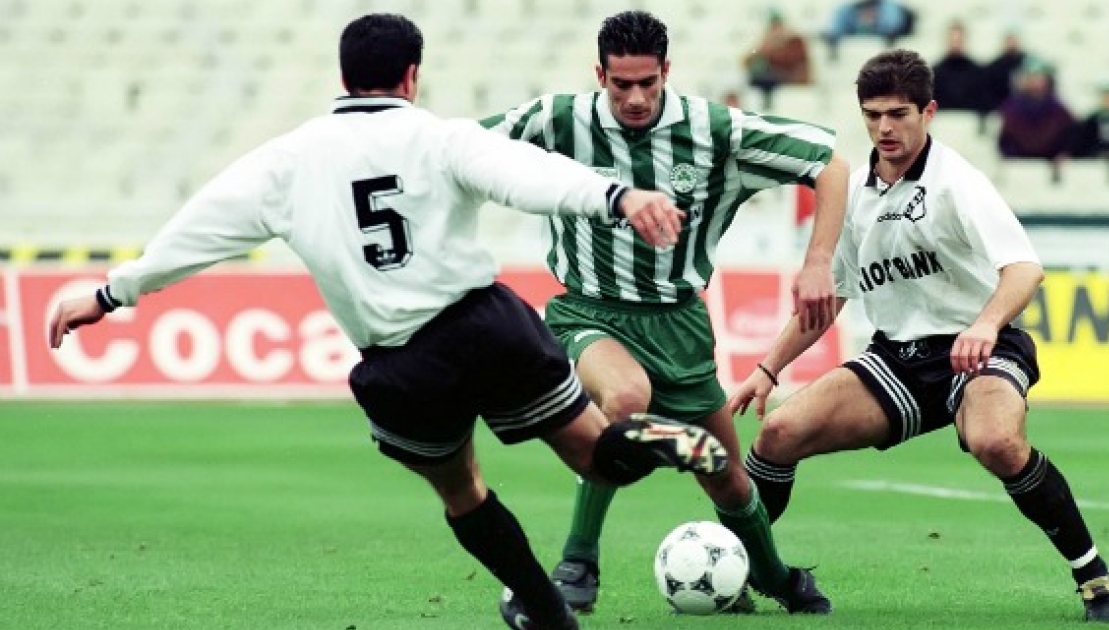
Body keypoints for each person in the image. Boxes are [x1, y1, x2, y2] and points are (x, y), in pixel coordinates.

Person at [47, 13, 734, 630]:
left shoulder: (288, 160)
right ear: (412, 75)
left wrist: (110, 294)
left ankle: (548, 613)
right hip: (487, 327)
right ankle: (660, 438)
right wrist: (616, 197)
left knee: (463, 491)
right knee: (594, 453)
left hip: (402, 364)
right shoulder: (442, 137)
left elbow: (200, 229)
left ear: (344, 76)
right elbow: (528, 175)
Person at [728, 49, 1109, 624]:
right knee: (779, 432)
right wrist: (768, 368)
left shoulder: (958, 183)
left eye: (898, 114)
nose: (884, 128)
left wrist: (985, 324)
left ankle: (1094, 577)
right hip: (898, 360)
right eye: (873, 115)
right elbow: (831, 296)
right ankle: (742, 571)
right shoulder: (854, 192)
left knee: (996, 442)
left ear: (928, 112)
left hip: (981, 348)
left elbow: (1025, 270)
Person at [482, 10, 849, 616]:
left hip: (678, 326)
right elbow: (458, 151)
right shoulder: (558, 120)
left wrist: (818, 262)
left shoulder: (715, 130)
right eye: (620, 84)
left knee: (728, 479)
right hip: (588, 313)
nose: (634, 97)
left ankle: (775, 575)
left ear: (666, 72)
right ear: (599, 74)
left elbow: (830, 164)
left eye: (647, 83)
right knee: (625, 397)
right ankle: (578, 561)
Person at [997, 58, 1075, 165]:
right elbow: (1005, 139)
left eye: (1039, 78)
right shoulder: (1011, 108)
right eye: (1032, 77)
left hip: (1049, 162)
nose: (1035, 82)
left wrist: (1061, 153)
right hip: (1019, 162)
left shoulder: (1059, 110)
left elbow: (1067, 137)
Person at [743, 7, 813, 111]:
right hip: (782, 75)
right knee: (756, 76)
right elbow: (747, 60)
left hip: (793, 77)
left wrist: (767, 49)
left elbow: (788, 60)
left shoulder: (793, 39)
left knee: (762, 78)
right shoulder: (773, 40)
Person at [822, 0, 916, 60]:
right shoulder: (846, 10)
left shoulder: (889, 8)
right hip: (856, 30)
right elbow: (835, 27)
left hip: (886, 32)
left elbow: (893, 24)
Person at [931, 20, 985, 116]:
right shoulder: (935, 73)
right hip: (943, 120)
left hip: (969, 120)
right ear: (946, 41)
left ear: (964, 41)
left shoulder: (977, 72)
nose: (955, 45)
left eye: (958, 41)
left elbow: (982, 103)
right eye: (952, 41)